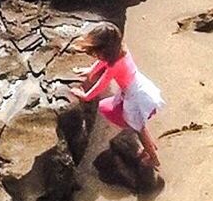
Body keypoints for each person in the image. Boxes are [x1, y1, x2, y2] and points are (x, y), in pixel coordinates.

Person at [70, 23, 164, 168]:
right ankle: (151, 146)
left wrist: (85, 96)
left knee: (138, 127)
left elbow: (102, 83)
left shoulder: (115, 66)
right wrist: (91, 71)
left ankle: (153, 157)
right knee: (140, 124)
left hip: (135, 96)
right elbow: (104, 61)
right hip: (137, 87)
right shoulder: (122, 50)